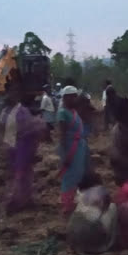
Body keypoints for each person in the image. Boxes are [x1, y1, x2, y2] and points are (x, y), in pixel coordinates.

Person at [0, 82, 45, 214]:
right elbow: (1, 130)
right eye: (10, 92)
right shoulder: (4, 112)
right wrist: (2, 145)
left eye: (15, 92)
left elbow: (31, 129)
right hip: (10, 147)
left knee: (22, 175)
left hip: (23, 147)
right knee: (14, 174)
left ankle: (19, 201)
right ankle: (21, 200)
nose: (13, 95)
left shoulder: (23, 111)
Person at [66, 173, 118, 254]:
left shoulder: (77, 196)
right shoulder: (99, 193)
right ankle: (109, 243)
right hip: (96, 245)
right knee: (113, 207)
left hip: (74, 241)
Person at [57, 86, 89, 215]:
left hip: (78, 148)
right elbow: (62, 136)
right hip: (70, 148)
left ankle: (74, 200)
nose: (75, 99)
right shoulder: (62, 113)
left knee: (78, 174)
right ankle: (67, 205)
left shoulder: (73, 111)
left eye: (76, 96)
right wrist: (65, 156)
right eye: (73, 96)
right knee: (69, 177)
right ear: (66, 98)